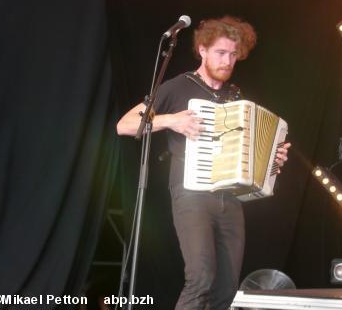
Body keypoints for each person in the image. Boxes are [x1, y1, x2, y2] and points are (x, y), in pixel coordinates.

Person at [117, 16, 290, 310]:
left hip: (229, 198)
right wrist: (171, 120)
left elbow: (246, 155)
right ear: (203, 50)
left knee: (226, 287)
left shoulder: (234, 97)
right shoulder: (178, 87)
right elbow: (124, 125)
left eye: (234, 54)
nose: (228, 60)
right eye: (221, 53)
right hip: (191, 194)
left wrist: (272, 159)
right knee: (200, 278)